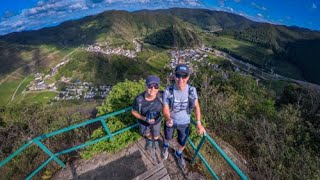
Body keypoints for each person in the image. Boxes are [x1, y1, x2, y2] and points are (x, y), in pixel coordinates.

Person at [162, 64, 206, 169]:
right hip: (170, 121)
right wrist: (168, 118)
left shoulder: (192, 90)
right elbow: (165, 108)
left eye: (184, 76)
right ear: (174, 76)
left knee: (183, 142)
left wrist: (199, 123)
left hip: (185, 123)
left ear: (188, 77)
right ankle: (165, 147)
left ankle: (178, 154)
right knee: (167, 137)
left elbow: (196, 106)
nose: (181, 79)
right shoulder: (168, 90)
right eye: (178, 76)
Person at [132, 75, 163, 155]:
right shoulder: (139, 99)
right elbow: (133, 111)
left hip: (157, 121)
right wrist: (145, 118)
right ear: (146, 86)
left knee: (156, 134)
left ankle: (155, 142)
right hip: (144, 122)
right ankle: (149, 140)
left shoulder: (161, 96)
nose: (153, 89)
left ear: (158, 88)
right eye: (150, 86)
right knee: (146, 133)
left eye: (156, 86)